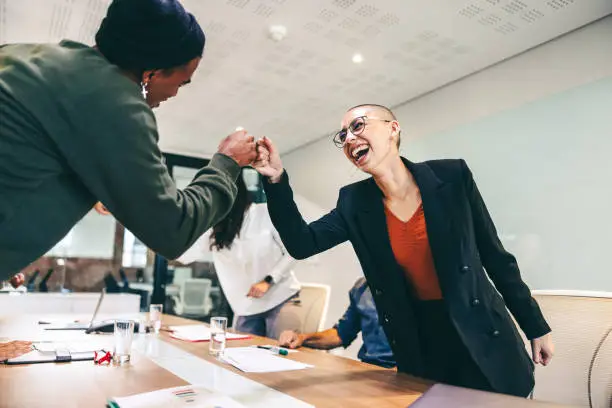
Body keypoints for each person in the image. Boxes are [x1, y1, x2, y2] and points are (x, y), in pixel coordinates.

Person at [253, 104, 554, 397]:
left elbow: (495, 256)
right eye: (342, 136)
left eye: (357, 126)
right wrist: (275, 179)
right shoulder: (355, 202)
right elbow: (302, 243)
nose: (349, 139)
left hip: (481, 330)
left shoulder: (451, 176)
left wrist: (534, 326)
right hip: (422, 341)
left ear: (392, 129)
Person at [0, 0, 257, 281]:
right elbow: (173, 229)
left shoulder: (20, 55)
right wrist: (227, 162)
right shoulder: (116, 102)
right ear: (151, 73)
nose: (174, 94)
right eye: (181, 83)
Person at [178, 169, 301, 339]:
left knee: (282, 357)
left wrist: (269, 280)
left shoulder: (265, 212)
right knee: (241, 358)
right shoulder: (216, 227)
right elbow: (183, 256)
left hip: (280, 299)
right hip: (245, 308)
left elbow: (296, 251)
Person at [279, 277, 395, 369]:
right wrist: (302, 338)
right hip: (369, 369)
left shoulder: (410, 285)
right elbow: (341, 334)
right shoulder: (362, 288)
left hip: (403, 375)